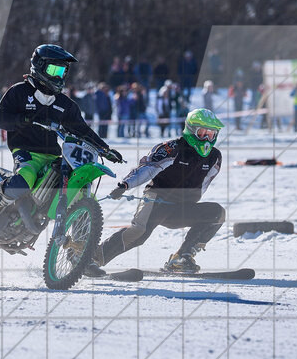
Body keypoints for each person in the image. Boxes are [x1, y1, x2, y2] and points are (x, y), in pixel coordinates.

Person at [0, 44, 124, 231]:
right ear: (39, 65)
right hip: (26, 152)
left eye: (62, 71)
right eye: (54, 69)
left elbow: (83, 130)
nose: (58, 76)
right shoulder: (19, 92)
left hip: (54, 155)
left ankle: (81, 247)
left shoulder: (65, 104)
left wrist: (105, 149)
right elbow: (0, 120)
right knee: (26, 178)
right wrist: (23, 119)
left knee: (78, 188)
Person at [86, 108, 224, 275]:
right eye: (203, 133)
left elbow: (204, 184)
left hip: (182, 207)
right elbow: (147, 168)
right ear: (191, 130)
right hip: (157, 200)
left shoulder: (215, 157)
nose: (208, 139)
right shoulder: (172, 148)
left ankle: (181, 257)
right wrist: (125, 185)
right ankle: (91, 259)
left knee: (217, 213)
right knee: (139, 233)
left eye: (212, 134)